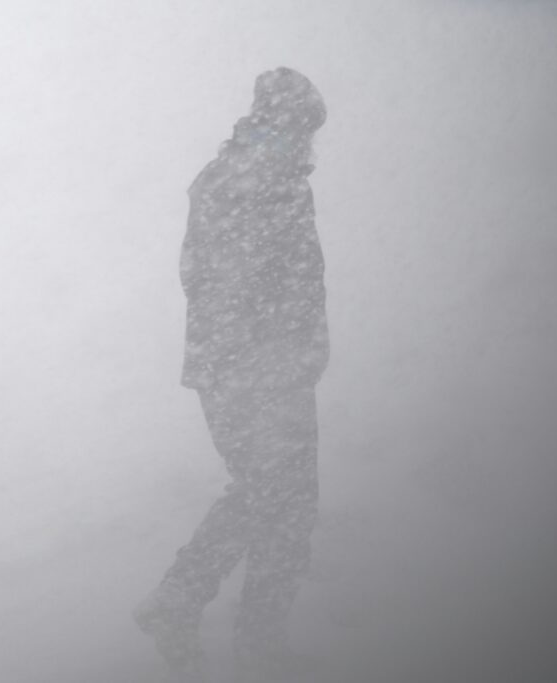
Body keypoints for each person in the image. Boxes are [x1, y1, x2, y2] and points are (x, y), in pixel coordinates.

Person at [134, 67, 329, 682]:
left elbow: (202, 276)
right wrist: (278, 352)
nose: (311, 143)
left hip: (237, 367)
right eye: (307, 128)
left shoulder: (231, 176)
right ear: (288, 122)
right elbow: (244, 284)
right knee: (286, 503)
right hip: (263, 370)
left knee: (265, 493)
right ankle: (254, 646)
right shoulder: (264, 182)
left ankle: (182, 602)